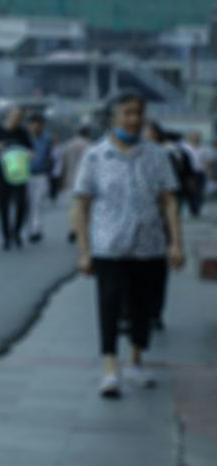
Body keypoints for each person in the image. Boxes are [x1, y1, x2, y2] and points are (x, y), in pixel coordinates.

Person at [72, 92, 185, 399]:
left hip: (149, 245)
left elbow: (169, 201)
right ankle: (110, 367)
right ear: (113, 117)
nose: (134, 119)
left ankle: (135, 359)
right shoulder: (96, 156)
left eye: (138, 113)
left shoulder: (157, 155)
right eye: (127, 113)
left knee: (143, 306)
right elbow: (80, 205)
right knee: (109, 304)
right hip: (109, 245)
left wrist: (176, 243)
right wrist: (84, 252)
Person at [0, 106, 33, 250]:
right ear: (7, 116)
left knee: (21, 203)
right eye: (15, 117)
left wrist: (29, 155)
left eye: (20, 118)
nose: (17, 120)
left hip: (20, 174)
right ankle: (6, 237)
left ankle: (17, 231)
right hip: (2, 174)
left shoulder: (23, 132)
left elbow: (31, 150)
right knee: (3, 206)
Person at [55, 126, 92, 243]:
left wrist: (62, 179)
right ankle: (82, 228)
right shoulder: (90, 145)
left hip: (71, 179)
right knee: (85, 208)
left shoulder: (69, 145)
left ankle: (72, 228)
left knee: (73, 206)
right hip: (86, 180)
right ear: (87, 134)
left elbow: (63, 163)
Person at [26, 114, 53, 243]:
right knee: (30, 203)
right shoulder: (25, 138)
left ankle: (36, 229)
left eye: (39, 125)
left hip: (41, 174)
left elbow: (49, 155)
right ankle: (33, 229)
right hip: (27, 175)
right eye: (33, 125)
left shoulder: (47, 139)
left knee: (38, 203)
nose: (36, 127)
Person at [182, 131, 212, 218]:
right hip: (188, 173)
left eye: (197, 136)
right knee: (189, 191)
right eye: (194, 136)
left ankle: (196, 208)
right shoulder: (185, 148)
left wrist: (209, 173)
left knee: (198, 191)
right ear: (190, 137)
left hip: (199, 172)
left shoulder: (204, 148)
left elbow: (208, 162)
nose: (196, 138)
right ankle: (191, 207)